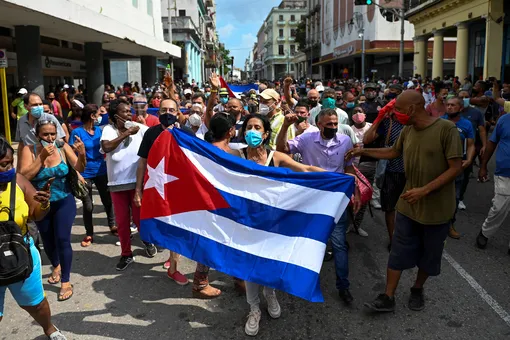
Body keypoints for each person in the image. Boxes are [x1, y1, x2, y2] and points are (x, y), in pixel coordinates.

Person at [346, 90, 462, 312]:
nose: (395, 113)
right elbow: (392, 152)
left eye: (398, 109)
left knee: (429, 255)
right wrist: (362, 150)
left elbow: (455, 168)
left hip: (437, 209)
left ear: (411, 109)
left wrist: (425, 190)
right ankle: (388, 296)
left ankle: (417, 288)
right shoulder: (408, 131)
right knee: (398, 250)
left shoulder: (446, 130)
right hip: (408, 205)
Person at [241, 113, 327, 336]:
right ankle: (253, 308)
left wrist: (337, 177)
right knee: (250, 266)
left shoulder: (275, 157)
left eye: (257, 127)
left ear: (265, 133)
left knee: (270, 262)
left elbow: (306, 170)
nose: (252, 131)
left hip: (273, 221)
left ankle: (270, 294)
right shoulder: (236, 155)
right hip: (247, 220)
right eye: (248, 127)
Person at [276, 108, 361, 306]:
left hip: (336, 198)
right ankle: (298, 279)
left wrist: (353, 189)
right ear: (319, 124)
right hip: (311, 198)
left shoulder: (345, 141)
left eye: (335, 124)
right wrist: (286, 126)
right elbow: (282, 150)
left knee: (339, 244)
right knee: (304, 240)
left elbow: (349, 168)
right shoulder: (307, 139)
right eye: (328, 124)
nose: (332, 127)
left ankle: (343, 286)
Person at [0, 137, 68, 339]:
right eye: (0, 165)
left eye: (8, 164)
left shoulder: (18, 181)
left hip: (19, 254)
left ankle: (49, 329)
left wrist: (43, 203)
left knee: (36, 304)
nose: (6, 169)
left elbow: (35, 213)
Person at [19, 120, 86, 302]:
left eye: (52, 134)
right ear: (37, 135)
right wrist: (40, 157)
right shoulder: (29, 149)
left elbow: (79, 167)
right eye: (45, 135)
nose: (49, 138)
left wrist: (82, 154)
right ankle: (56, 264)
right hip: (40, 203)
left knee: (63, 238)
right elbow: (23, 176)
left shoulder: (62, 147)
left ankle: (66, 280)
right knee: (47, 240)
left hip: (64, 200)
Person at [134, 97, 193, 283]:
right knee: (161, 226)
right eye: (163, 110)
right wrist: (138, 190)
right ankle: (167, 253)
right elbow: (142, 162)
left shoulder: (186, 133)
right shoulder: (150, 133)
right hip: (157, 188)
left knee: (177, 226)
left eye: (171, 110)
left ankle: (173, 266)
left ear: (178, 112)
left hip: (179, 189)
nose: (167, 113)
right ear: (158, 113)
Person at [100, 100, 151, 271]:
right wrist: (127, 133)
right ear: (116, 116)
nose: (130, 114)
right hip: (117, 184)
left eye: (130, 111)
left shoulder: (138, 127)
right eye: (126, 112)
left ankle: (147, 240)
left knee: (139, 218)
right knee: (122, 222)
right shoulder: (108, 129)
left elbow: (154, 136)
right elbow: (106, 147)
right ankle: (126, 254)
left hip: (137, 183)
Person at [70, 104, 117, 246]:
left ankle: (112, 225)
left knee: (107, 201)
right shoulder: (76, 132)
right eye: (98, 114)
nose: (99, 117)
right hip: (85, 173)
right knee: (88, 205)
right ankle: (89, 233)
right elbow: (71, 154)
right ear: (92, 115)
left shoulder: (99, 131)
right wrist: (77, 173)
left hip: (101, 171)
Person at [362, 99, 407, 250]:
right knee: (390, 207)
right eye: (396, 108)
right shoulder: (387, 123)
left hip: (411, 171)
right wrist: (380, 117)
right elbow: (367, 139)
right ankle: (393, 239)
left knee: (411, 207)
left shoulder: (413, 123)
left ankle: (409, 238)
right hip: (391, 171)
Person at [476, 98, 510, 253]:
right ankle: (485, 232)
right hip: (505, 172)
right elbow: (492, 144)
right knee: (499, 207)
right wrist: (483, 166)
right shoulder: (504, 120)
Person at [442, 97, 475, 239]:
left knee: (454, 197)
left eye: (453, 105)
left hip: (457, 167)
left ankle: (450, 225)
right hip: (439, 166)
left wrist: (469, 159)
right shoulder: (439, 121)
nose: (449, 107)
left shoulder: (466, 124)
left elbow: (471, 144)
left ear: (460, 108)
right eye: (447, 105)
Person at [458, 90, 487, 210]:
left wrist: (484, 145)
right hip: (452, 149)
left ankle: (460, 198)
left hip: (469, 149)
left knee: (465, 175)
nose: (464, 99)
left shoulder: (476, 113)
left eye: (466, 97)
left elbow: (481, 130)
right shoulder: (452, 112)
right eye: (461, 97)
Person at [350, 107, 372, 237]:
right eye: (354, 112)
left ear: (365, 114)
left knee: (365, 197)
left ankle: (357, 225)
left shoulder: (371, 127)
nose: (358, 114)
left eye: (360, 111)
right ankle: (349, 222)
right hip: (353, 167)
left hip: (368, 165)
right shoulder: (349, 130)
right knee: (351, 198)